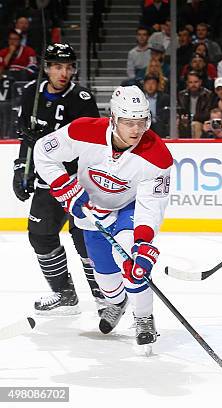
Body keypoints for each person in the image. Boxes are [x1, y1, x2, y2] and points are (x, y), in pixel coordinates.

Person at [33, 85, 173, 346]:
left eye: (141, 122)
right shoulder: (84, 130)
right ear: (113, 118)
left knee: (133, 263)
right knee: (104, 274)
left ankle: (143, 317)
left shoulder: (158, 156)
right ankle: (116, 302)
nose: (135, 130)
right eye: (128, 122)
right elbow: (43, 151)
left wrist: (143, 242)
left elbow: (151, 205)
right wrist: (64, 187)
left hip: (128, 209)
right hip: (92, 210)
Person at [12, 43, 105, 315]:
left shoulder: (83, 99)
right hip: (48, 180)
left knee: (85, 240)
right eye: (57, 66)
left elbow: (91, 144)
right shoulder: (31, 93)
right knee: (40, 236)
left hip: (79, 181)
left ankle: (105, 298)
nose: (63, 72)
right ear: (46, 68)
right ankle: (64, 294)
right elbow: (26, 137)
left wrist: (44, 140)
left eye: (68, 67)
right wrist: (21, 169)